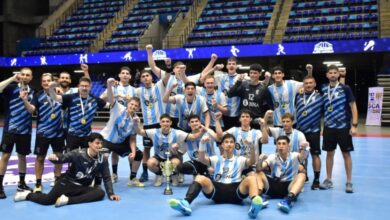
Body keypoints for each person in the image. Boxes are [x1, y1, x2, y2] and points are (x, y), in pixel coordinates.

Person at [168, 133, 264, 219]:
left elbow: (252, 162)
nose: (229, 144)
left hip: (236, 191)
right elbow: (201, 159)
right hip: (217, 191)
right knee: (200, 178)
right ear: (222, 145)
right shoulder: (215, 159)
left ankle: (255, 205)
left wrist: (251, 147)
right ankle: (186, 203)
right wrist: (201, 143)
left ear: (234, 145)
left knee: (251, 178)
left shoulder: (241, 159)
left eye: (231, 142)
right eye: (226, 142)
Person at [13, 133, 120, 207]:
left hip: (82, 187)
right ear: (90, 144)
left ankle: (68, 200)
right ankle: (27, 195)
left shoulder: (103, 159)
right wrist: (55, 159)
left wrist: (111, 193)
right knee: (47, 201)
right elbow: (63, 158)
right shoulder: (77, 153)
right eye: (97, 143)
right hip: (67, 183)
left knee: (100, 193)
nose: (100, 146)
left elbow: (106, 178)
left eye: (101, 143)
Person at [20, 73, 65, 193]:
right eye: (44, 81)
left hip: (58, 133)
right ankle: (38, 183)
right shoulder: (38, 95)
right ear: (41, 83)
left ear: (52, 81)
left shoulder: (60, 93)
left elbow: (68, 106)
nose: (46, 83)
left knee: (58, 158)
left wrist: (62, 93)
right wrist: (25, 100)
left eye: (48, 80)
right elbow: (31, 110)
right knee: (40, 158)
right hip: (43, 133)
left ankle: (57, 180)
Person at [133, 114, 204, 186]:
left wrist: (202, 131)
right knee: (150, 163)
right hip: (158, 157)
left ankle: (174, 175)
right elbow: (139, 131)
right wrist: (136, 124)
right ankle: (159, 174)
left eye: (167, 121)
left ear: (170, 123)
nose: (165, 123)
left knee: (176, 162)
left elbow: (193, 137)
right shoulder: (154, 132)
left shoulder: (177, 133)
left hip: (171, 157)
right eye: (163, 121)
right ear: (160, 123)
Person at [320, 65, 358, 193]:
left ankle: (349, 182)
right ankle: (329, 179)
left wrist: (354, 125)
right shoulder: (323, 88)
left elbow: (353, 106)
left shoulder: (345, 88)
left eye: (335, 72)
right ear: (327, 75)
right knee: (329, 154)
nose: (332, 75)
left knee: (346, 154)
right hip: (329, 128)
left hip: (344, 127)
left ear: (338, 74)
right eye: (330, 73)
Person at [100, 78, 144, 187]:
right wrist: (109, 86)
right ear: (128, 104)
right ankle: (103, 177)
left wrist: (133, 152)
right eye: (132, 104)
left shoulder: (136, 119)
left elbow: (133, 138)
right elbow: (110, 98)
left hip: (121, 142)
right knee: (102, 157)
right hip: (107, 139)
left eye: (136, 106)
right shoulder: (118, 107)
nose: (133, 107)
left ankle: (133, 178)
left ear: (138, 109)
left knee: (139, 154)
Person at [0, 68, 34, 199]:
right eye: (23, 74)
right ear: (20, 75)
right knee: (5, 156)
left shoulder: (33, 91)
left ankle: (21, 183)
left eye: (28, 75)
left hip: (25, 130)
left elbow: (32, 109)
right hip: (10, 129)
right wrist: (12, 79)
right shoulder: (11, 88)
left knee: (22, 156)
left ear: (31, 77)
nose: (25, 77)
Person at [49, 77, 106, 151]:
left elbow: (110, 105)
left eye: (86, 86)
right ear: (78, 86)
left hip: (87, 135)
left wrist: (110, 89)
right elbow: (55, 98)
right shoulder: (71, 97)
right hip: (72, 135)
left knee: (86, 158)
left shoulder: (95, 99)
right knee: (71, 158)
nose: (84, 88)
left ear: (90, 87)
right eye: (82, 86)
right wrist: (51, 88)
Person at [134, 69, 170, 182]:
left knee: (163, 147)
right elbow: (129, 96)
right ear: (141, 79)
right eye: (143, 76)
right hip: (148, 124)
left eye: (147, 75)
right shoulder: (139, 91)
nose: (145, 78)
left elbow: (167, 76)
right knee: (146, 149)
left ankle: (165, 170)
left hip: (160, 124)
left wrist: (168, 66)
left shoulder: (159, 86)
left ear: (151, 77)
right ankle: (145, 172)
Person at [257, 136, 308, 213]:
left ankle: (288, 200)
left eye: (284, 144)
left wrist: (304, 149)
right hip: (273, 185)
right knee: (258, 173)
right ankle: (260, 198)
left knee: (302, 175)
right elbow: (259, 168)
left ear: (288, 146)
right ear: (276, 146)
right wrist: (260, 160)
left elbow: (303, 156)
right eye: (279, 144)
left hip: (288, 187)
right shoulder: (272, 156)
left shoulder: (295, 155)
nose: (281, 146)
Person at [295, 73, 324, 190]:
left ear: (315, 84)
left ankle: (316, 179)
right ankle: (303, 175)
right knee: (300, 155)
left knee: (315, 154)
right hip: (300, 131)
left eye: (310, 83)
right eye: (306, 83)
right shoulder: (298, 96)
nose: (308, 85)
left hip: (314, 130)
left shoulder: (320, 97)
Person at [228, 63, 273, 129]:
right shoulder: (243, 85)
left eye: (255, 73)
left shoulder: (263, 89)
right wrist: (238, 82)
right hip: (244, 119)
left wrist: (264, 118)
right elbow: (230, 94)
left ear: (260, 74)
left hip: (257, 121)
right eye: (251, 73)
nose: (252, 75)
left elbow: (270, 106)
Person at [175, 115, 217, 182]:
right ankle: (197, 172)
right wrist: (175, 149)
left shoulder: (208, 133)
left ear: (200, 122)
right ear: (189, 124)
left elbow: (218, 139)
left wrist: (207, 129)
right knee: (179, 167)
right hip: (197, 163)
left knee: (210, 178)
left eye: (196, 121)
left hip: (210, 162)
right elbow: (180, 153)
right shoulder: (187, 138)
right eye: (192, 122)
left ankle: (203, 174)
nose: (195, 123)